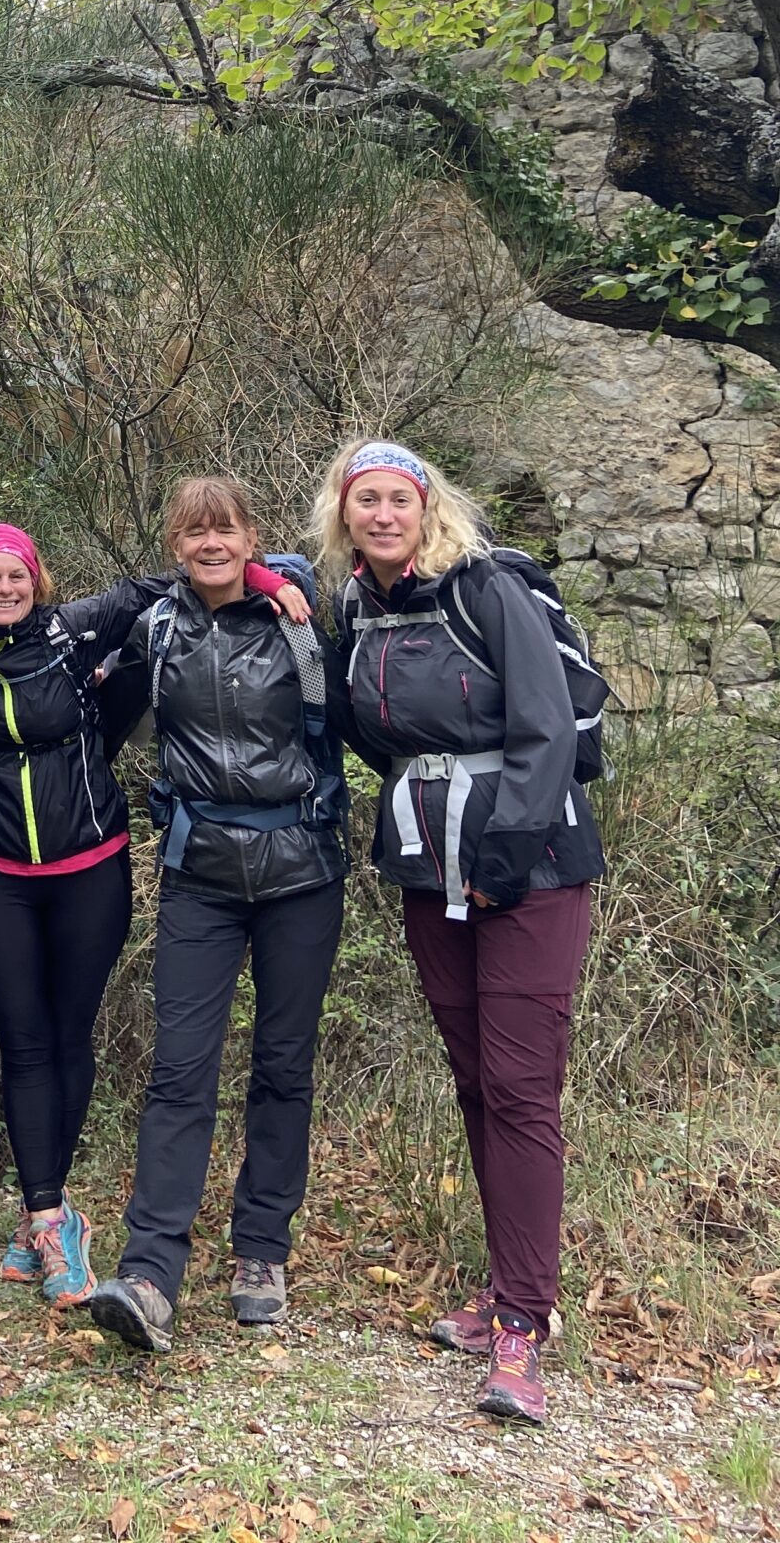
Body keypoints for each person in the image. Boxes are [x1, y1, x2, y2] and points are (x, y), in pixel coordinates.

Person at [0, 520, 312, 1310]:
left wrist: (265, 581)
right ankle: (49, 1213)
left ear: (38, 580)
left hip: (90, 866)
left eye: (17, 576)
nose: (4, 589)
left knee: (67, 1035)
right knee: (21, 1042)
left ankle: (42, 1214)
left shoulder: (76, 627)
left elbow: (184, 578)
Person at [314, 438, 603, 1428]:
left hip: (528, 860)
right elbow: (362, 728)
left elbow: (548, 725)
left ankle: (524, 1319)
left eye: (399, 498)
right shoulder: (359, 608)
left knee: (521, 1085)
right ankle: (504, 1288)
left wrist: (506, 853)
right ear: (344, 515)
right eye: (366, 501)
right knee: (477, 1076)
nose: (382, 514)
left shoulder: (487, 589)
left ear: (426, 507)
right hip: (425, 857)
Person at [87, 475, 346, 1358]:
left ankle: (261, 1251)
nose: (210, 544)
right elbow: (87, 720)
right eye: (194, 531)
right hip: (199, 875)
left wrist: (286, 580)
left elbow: (356, 709)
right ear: (175, 543)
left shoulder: (299, 621)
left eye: (225, 529)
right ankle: (152, 1271)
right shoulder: (156, 631)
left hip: (302, 869)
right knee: (179, 1070)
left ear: (250, 538)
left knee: (282, 1063)